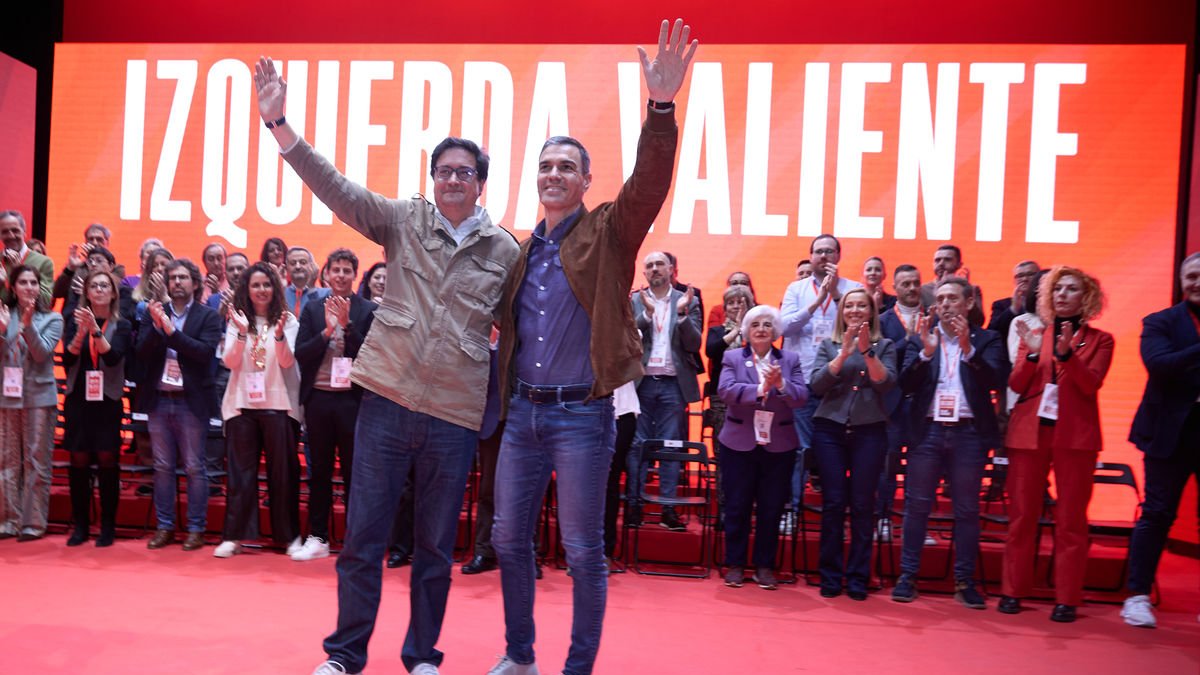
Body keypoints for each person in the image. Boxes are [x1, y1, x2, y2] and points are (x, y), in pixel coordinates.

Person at [255, 52, 520, 675]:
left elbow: (518, 335)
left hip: (453, 418)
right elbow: (338, 188)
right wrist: (280, 125)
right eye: (443, 171)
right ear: (433, 179)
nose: (452, 180)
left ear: (481, 182)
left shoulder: (505, 250)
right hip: (386, 404)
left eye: (464, 172)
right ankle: (345, 656)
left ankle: (422, 656)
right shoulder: (404, 221)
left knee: (432, 548)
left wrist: (499, 412)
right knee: (363, 542)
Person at [489, 18, 696, 675]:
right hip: (522, 415)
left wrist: (660, 107)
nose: (553, 174)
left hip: (583, 416)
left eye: (566, 167)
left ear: (585, 180)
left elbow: (649, 186)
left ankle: (577, 667)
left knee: (582, 549)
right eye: (545, 165)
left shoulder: (607, 231)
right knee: (506, 539)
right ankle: (520, 655)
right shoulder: (520, 253)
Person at [1000, 266, 1114, 623]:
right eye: (1057, 289)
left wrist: (1067, 356)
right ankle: (1012, 590)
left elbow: (1090, 384)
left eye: (1072, 289)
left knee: (1071, 520)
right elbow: (1017, 384)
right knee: (1021, 516)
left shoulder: (1102, 340)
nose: (1063, 295)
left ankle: (1067, 597)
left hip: (1075, 438)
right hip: (1029, 433)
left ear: (1087, 297)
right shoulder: (1034, 334)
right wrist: (1034, 354)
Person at [893, 277, 1008, 607]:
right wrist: (927, 353)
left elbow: (997, 380)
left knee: (967, 510)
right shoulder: (921, 338)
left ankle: (964, 580)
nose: (944, 304)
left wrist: (968, 349)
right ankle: (907, 576)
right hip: (926, 430)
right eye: (940, 299)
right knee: (916, 506)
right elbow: (905, 384)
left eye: (952, 298)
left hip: (968, 433)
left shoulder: (988, 339)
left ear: (968, 303)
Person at [1121, 252, 1200, 628]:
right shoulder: (1160, 322)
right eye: (1192, 276)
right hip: (1169, 432)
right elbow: (1160, 365)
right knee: (1156, 513)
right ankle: (1137, 597)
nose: (1197, 282)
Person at [808, 287, 897, 600]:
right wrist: (844, 353)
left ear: (871, 312)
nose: (856, 310)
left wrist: (866, 351)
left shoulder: (884, 345)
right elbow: (816, 386)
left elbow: (885, 383)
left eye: (862, 306)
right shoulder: (828, 344)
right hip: (830, 430)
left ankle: (858, 577)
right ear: (842, 312)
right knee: (833, 504)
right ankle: (830, 575)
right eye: (850, 306)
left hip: (869, 431)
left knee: (862, 505)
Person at [292, 249, 377, 561]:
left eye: (346, 270)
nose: (341, 275)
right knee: (319, 471)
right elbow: (301, 352)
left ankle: (356, 538)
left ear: (355, 275)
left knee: (356, 472)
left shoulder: (367, 310)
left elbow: (369, 357)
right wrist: (328, 330)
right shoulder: (313, 309)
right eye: (336, 270)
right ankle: (317, 536)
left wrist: (348, 326)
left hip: (352, 402)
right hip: (318, 399)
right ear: (326, 274)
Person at [716, 304, 808, 591]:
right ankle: (735, 564)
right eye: (755, 324)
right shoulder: (732, 357)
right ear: (746, 330)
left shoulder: (789, 360)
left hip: (779, 445)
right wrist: (758, 391)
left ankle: (765, 566)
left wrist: (781, 385)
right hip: (738, 443)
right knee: (737, 505)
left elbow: (801, 396)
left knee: (771, 507)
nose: (761, 329)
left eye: (768, 324)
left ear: (776, 332)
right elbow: (725, 391)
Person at [215, 262, 302, 558]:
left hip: (279, 406)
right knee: (240, 474)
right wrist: (240, 334)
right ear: (247, 289)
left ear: (274, 288)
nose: (261, 290)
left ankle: (289, 537)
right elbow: (229, 362)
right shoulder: (237, 320)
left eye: (266, 284)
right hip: (243, 404)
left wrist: (278, 336)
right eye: (256, 285)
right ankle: (234, 537)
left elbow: (288, 362)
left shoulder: (288, 320)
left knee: (283, 474)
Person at [137, 259, 223, 551]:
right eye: (173, 278)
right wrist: (158, 326)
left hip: (191, 401)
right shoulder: (155, 312)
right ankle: (165, 527)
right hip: (159, 400)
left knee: (194, 467)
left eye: (183, 277)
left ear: (195, 283)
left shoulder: (209, 316)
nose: (177, 282)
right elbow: (142, 352)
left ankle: (196, 528)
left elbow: (204, 353)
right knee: (161, 466)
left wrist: (172, 333)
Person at [780, 234, 862, 527]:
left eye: (829, 251)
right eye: (818, 252)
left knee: (836, 452)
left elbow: (861, 325)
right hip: (802, 382)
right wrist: (816, 302)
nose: (823, 256)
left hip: (840, 384)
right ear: (811, 256)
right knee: (801, 449)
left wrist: (837, 296)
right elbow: (785, 326)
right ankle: (792, 510)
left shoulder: (854, 289)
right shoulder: (796, 288)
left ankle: (835, 515)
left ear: (839, 256)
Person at [628, 252, 702, 531]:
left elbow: (694, 344)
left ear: (672, 269)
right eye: (649, 266)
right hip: (642, 383)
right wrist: (646, 315)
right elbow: (628, 339)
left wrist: (683, 314)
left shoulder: (687, 299)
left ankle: (668, 508)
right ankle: (635, 504)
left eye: (660, 264)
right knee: (637, 446)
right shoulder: (635, 300)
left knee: (672, 447)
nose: (655, 269)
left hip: (673, 383)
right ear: (644, 273)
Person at [62, 269, 130, 547]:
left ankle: (108, 527)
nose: (100, 290)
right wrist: (80, 333)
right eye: (94, 286)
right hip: (79, 397)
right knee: (78, 460)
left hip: (108, 400)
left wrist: (95, 330)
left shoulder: (122, 324)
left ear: (113, 293)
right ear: (86, 292)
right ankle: (80, 526)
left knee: (107, 460)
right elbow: (67, 361)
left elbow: (113, 358)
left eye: (105, 286)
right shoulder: (72, 319)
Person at [0, 267, 62, 541]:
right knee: (7, 461)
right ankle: (8, 520)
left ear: (40, 287)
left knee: (36, 460)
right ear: (13, 288)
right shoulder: (4, 315)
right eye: (23, 282)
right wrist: (3, 332)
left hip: (39, 398)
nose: (28, 287)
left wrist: (27, 325)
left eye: (33, 282)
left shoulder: (53, 318)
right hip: (8, 396)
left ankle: (33, 523)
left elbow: (40, 354)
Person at [874, 263, 923, 542]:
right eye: (905, 283)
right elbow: (880, 359)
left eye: (915, 282)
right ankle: (882, 517)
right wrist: (910, 341)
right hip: (890, 404)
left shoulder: (934, 317)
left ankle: (915, 524)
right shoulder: (882, 320)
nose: (912, 288)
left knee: (920, 469)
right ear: (895, 287)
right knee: (887, 465)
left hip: (921, 405)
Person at [919, 244, 985, 326]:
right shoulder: (922, 290)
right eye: (937, 260)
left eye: (947, 260)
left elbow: (979, 322)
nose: (941, 263)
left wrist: (966, 289)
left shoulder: (973, 289)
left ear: (959, 264)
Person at [0, 211, 54, 307]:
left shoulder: (44, 262)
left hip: (30, 320)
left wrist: (18, 271)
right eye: (5, 232)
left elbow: (46, 301)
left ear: (24, 232)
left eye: (15, 230)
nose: (11, 236)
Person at [51, 222, 111, 304]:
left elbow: (113, 292)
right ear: (85, 243)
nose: (95, 243)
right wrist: (70, 269)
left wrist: (93, 262)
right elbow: (56, 293)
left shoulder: (116, 268)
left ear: (107, 243)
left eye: (99, 239)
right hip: (72, 314)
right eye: (91, 239)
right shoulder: (76, 267)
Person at [987, 260, 1040, 342]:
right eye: (1020, 276)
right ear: (1014, 281)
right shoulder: (1001, 305)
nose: (1025, 279)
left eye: (1030, 274)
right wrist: (1013, 309)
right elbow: (992, 333)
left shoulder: (1048, 303)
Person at [285, 246, 330, 316]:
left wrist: (311, 289)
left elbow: (320, 319)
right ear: (286, 267)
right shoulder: (281, 294)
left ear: (313, 266)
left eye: (303, 262)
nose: (298, 266)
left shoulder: (326, 293)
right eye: (293, 263)